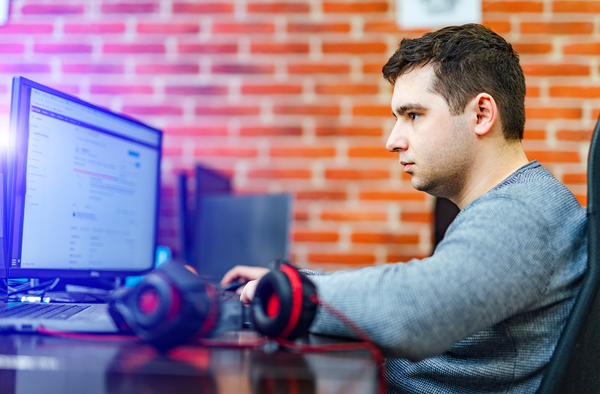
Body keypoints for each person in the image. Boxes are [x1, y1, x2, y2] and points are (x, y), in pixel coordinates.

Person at [221, 24, 587, 393]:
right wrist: (295, 283)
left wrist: (296, 293)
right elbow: (424, 287)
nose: (392, 141)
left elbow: (416, 311)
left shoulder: (520, 214)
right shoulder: (522, 204)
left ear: (481, 115)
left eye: (413, 115)